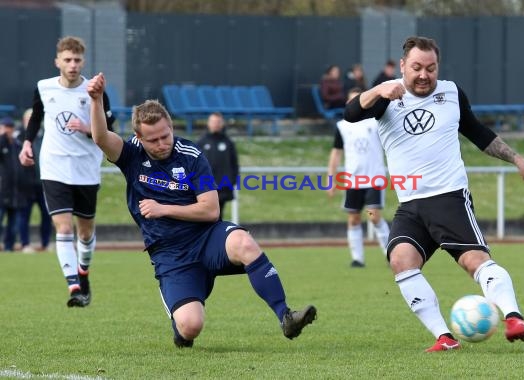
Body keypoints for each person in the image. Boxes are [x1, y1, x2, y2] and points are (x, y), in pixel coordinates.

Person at [87, 72, 317, 348]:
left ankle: (286, 316)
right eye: (153, 140)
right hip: (171, 253)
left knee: (244, 241)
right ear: (139, 137)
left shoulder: (192, 155)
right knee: (191, 326)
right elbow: (100, 137)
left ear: (171, 127)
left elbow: (211, 211)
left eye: (165, 135)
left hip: (207, 238)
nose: (162, 144)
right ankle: (181, 327)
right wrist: (96, 99)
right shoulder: (130, 154)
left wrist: (163, 208)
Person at [344, 36, 524, 352]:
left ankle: (514, 318)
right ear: (403, 66)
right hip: (410, 205)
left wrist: (516, 158)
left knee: (475, 262)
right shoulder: (387, 95)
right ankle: (444, 338)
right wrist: (378, 90)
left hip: (449, 197)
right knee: (400, 260)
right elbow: (350, 114)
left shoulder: (451, 92)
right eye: (417, 67)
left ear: (438, 67)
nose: (424, 75)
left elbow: (477, 132)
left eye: (430, 68)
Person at [18, 36, 115, 307]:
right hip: (54, 166)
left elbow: (110, 129)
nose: (73, 65)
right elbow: (37, 116)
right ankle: (74, 287)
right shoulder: (44, 87)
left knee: (84, 232)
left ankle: (83, 273)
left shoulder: (94, 90)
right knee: (62, 227)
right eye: (68, 60)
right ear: (57, 61)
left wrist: (86, 128)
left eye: (77, 60)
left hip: (85, 169)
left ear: (83, 62)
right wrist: (27, 143)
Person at [327, 88, 390, 268]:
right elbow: (336, 154)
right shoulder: (343, 126)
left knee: (373, 216)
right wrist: (330, 179)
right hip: (353, 182)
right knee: (353, 219)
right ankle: (357, 259)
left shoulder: (376, 122)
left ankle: (390, 254)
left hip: (373, 180)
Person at [17, 108, 52, 253]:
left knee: (47, 215)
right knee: (24, 215)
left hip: (44, 184)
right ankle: (25, 244)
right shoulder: (18, 139)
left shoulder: (46, 138)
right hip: (26, 185)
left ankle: (46, 243)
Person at [196, 112, 239, 220]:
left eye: (218, 122)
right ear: (208, 123)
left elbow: (234, 164)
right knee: (205, 217)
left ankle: (218, 236)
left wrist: (232, 181)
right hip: (205, 188)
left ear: (222, 124)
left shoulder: (228, 143)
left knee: (218, 216)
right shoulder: (201, 142)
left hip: (222, 187)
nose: (216, 124)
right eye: (213, 122)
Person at [0, 117, 28, 252]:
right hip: (2, 190)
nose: (8, 130)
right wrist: (2, 139)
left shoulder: (17, 145)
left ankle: (9, 247)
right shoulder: (1, 144)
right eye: (5, 127)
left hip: (16, 191)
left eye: (10, 127)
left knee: (13, 223)